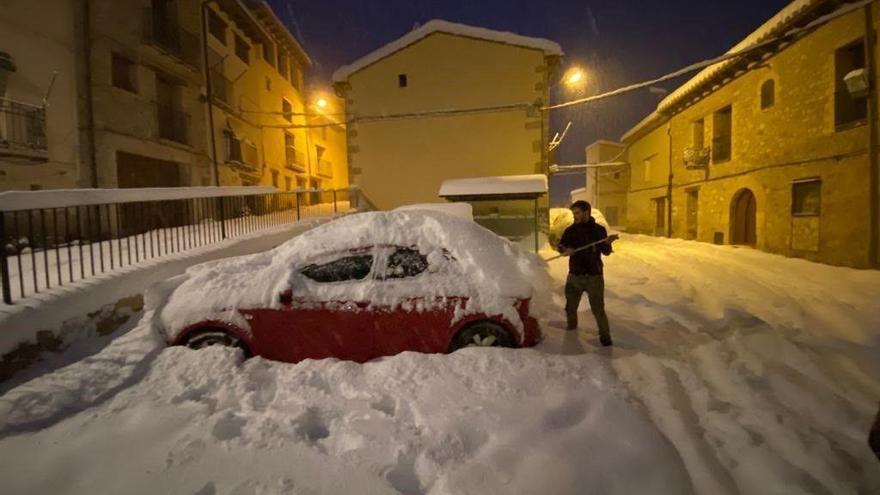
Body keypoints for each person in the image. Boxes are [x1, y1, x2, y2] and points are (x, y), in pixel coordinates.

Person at [557, 200, 618, 346]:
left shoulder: (599, 230)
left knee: (598, 309)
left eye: (577, 213)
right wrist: (565, 250)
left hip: (594, 277)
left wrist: (608, 243)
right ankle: (571, 332)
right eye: (573, 213)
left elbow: (606, 252)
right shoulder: (570, 230)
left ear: (586, 212)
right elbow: (561, 247)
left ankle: (605, 337)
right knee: (570, 307)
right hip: (575, 276)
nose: (575, 216)